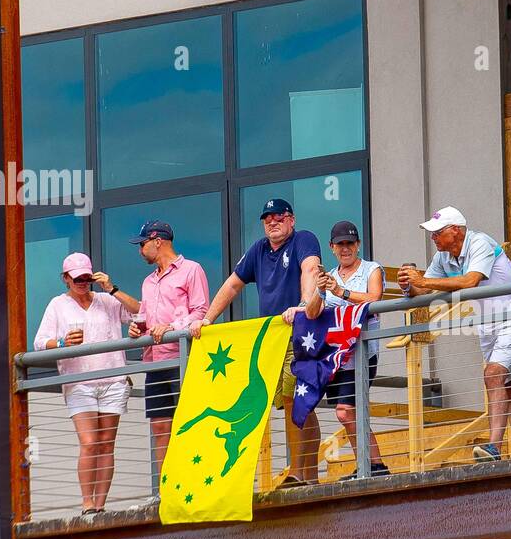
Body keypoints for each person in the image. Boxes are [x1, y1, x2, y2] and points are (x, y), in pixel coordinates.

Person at [193, 198, 324, 484]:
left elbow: (311, 270)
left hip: (301, 334)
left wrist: (303, 304)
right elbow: (232, 284)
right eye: (267, 218)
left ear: (291, 218)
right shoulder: (259, 249)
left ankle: (299, 473)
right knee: (294, 404)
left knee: (296, 400)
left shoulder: (303, 239)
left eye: (279, 216)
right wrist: (208, 318)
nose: (272, 222)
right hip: (273, 340)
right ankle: (308, 476)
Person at [399, 206, 511, 462]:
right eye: (433, 233)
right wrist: (408, 286)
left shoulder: (480, 242)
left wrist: (422, 281)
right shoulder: (443, 256)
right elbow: (423, 290)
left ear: (456, 231)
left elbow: (470, 281)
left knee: (493, 374)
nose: (433, 237)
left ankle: (494, 446)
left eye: (438, 232)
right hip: (489, 323)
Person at [33, 252, 140, 516]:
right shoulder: (57, 305)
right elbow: (39, 342)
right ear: (66, 279)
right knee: (90, 441)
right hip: (79, 381)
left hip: (112, 379)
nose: (83, 283)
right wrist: (61, 343)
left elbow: (138, 310)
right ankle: (86, 503)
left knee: (106, 443)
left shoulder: (106, 300)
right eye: (77, 278)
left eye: (86, 278)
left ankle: (100, 504)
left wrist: (111, 288)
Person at [125, 221, 210, 475]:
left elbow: (201, 312)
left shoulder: (192, 270)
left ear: (157, 241)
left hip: (183, 360)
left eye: (142, 244)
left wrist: (171, 326)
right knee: (160, 428)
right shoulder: (148, 282)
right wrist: (136, 330)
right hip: (155, 363)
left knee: (189, 424)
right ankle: (165, 487)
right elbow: (146, 319)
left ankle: (192, 481)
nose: (140, 251)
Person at [318, 220, 389, 478]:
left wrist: (341, 292)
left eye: (350, 243)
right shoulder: (329, 277)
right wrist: (316, 291)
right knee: (348, 413)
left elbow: (375, 297)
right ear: (332, 247)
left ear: (358, 245)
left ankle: (373, 465)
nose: (345, 248)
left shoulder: (372, 269)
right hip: (335, 356)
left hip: (361, 353)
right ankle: (372, 466)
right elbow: (315, 311)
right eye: (340, 244)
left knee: (345, 411)